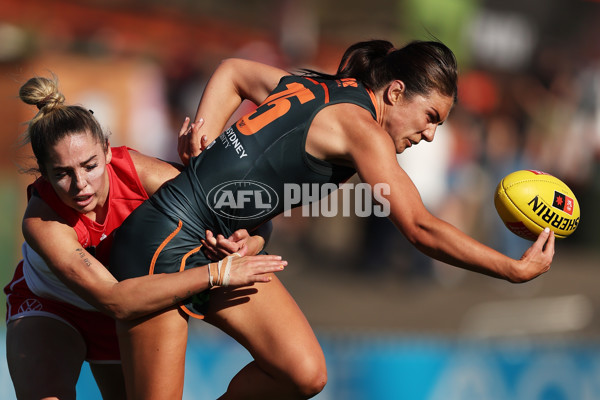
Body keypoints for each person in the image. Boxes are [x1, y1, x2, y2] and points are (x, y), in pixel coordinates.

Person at [110, 39, 555, 400]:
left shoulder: (318, 86)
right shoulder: (363, 129)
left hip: (215, 249)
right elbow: (419, 227)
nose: (431, 134)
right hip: (165, 245)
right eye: (430, 117)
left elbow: (233, 71)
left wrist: (202, 135)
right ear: (396, 92)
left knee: (303, 372)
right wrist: (511, 268)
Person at [4, 75, 285, 400]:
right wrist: (218, 273)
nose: (80, 184)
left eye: (90, 165)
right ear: (43, 170)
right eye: (63, 173)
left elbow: (248, 208)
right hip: (54, 306)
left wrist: (252, 241)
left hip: (134, 306)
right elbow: (114, 298)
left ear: (108, 151)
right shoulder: (41, 221)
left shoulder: (141, 174)